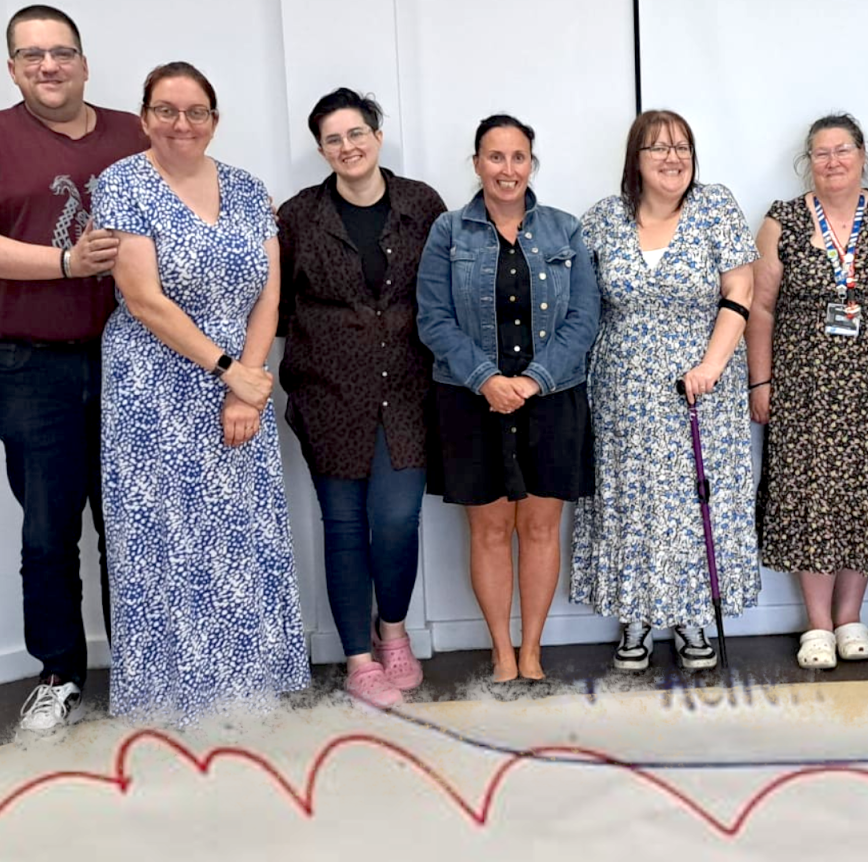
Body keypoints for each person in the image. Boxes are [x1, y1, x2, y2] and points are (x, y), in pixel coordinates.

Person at [0, 5, 147, 734]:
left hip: (135, 362)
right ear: (11, 69)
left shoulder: (136, 131)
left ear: (85, 62)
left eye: (61, 52)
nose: (48, 66)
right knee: (48, 529)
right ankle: (59, 673)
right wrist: (65, 263)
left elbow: (187, 208)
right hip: (33, 366)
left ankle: (147, 667)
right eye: (31, 56)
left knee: (134, 523)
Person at [92, 62, 309, 724]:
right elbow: (143, 298)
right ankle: (171, 698)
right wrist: (227, 370)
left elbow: (269, 293)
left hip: (240, 376)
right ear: (144, 117)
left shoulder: (247, 188)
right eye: (166, 110)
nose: (181, 124)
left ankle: (247, 683)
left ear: (214, 120)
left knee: (239, 529)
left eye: (195, 112)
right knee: (165, 536)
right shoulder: (121, 184)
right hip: (152, 385)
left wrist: (247, 384)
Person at [570, 110, 759, 672]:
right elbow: (583, 303)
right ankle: (635, 614)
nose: (673, 157)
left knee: (694, 501)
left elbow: (741, 287)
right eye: (657, 148)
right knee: (632, 498)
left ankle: (692, 614)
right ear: (635, 160)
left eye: (682, 147)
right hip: (621, 389)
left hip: (702, 387)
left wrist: (711, 364)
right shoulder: (603, 219)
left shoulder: (715, 206)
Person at [277, 89, 446, 708]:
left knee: (398, 518)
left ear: (377, 136)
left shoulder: (421, 204)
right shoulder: (297, 216)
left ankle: (393, 630)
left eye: (356, 134)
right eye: (333, 139)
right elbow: (275, 303)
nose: (347, 147)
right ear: (321, 149)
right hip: (329, 390)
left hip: (407, 386)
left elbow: (448, 285)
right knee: (344, 524)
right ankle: (356, 657)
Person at [417, 115, 599, 683]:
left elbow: (584, 317)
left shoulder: (565, 230)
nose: (507, 169)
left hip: (553, 398)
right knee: (490, 531)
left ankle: (533, 651)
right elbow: (433, 319)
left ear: (531, 164)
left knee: (541, 529)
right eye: (495, 157)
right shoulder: (447, 232)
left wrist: (534, 379)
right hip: (472, 402)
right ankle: (501, 651)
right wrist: (487, 380)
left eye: (518, 157)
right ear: (476, 164)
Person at [748, 113, 868, 671]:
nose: (833, 161)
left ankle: (851, 618)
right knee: (811, 499)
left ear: (862, 154)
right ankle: (817, 626)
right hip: (804, 385)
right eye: (821, 153)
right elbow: (760, 306)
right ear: (809, 162)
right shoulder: (782, 220)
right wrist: (761, 380)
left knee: (866, 496)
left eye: (842, 149)